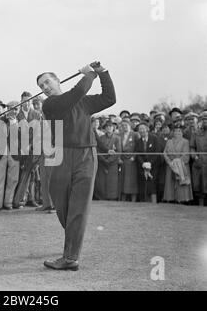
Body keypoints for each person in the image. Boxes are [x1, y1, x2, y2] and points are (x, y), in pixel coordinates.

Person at [39, 61, 116, 270]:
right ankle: (72, 241)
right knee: (61, 204)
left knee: (78, 207)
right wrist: (90, 74)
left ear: (57, 80)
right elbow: (78, 91)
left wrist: (104, 73)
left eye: (47, 82)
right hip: (62, 156)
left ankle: (70, 257)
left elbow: (110, 98)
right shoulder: (50, 104)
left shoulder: (83, 101)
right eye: (41, 86)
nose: (45, 87)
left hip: (86, 155)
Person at [0, 101, 21, 211]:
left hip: (15, 154)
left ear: (18, 110)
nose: (13, 111)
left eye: (16, 109)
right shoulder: (0, 120)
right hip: (1, 153)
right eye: (11, 108)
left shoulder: (22, 121)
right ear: (7, 109)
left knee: (13, 179)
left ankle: (8, 202)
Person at [13, 91, 41, 208]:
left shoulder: (36, 114)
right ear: (21, 102)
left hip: (33, 149)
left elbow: (38, 132)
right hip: (20, 150)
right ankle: (20, 199)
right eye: (24, 101)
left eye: (29, 101)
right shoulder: (16, 114)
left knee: (33, 175)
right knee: (21, 175)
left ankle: (31, 199)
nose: (27, 103)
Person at [163, 124, 193, 204]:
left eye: (179, 131)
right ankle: (170, 198)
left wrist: (177, 162)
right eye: (175, 131)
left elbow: (186, 154)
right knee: (170, 182)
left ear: (182, 132)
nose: (177, 132)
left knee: (181, 183)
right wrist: (170, 162)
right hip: (171, 165)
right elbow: (165, 153)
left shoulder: (185, 141)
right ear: (173, 132)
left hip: (181, 166)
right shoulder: (169, 141)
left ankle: (182, 200)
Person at [94, 120, 122, 200]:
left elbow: (119, 151)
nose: (109, 128)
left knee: (112, 181)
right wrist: (103, 160)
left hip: (113, 163)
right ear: (105, 128)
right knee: (102, 182)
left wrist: (109, 160)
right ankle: (102, 197)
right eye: (107, 127)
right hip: (102, 163)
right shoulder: (101, 138)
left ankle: (112, 197)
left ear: (113, 128)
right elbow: (98, 150)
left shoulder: (117, 138)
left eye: (110, 126)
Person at [134, 122, 161, 203]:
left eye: (143, 129)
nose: (141, 131)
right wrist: (143, 163)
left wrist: (150, 163)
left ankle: (154, 203)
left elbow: (157, 152)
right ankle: (144, 202)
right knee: (143, 185)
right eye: (139, 129)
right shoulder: (138, 141)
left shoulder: (154, 138)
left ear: (147, 129)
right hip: (142, 166)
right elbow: (137, 154)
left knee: (152, 185)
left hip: (154, 166)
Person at [118, 118, 139, 202]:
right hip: (123, 160)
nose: (124, 127)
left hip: (132, 160)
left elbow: (138, 147)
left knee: (132, 180)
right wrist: (119, 158)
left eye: (126, 125)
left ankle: (133, 200)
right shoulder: (120, 135)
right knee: (123, 180)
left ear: (130, 126)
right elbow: (118, 148)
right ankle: (123, 199)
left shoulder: (135, 134)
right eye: (122, 126)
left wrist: (134, 156)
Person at [190, 111, 207, 206]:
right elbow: (192, 147)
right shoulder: (196, 133)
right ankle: (200, 206)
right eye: (203, 119)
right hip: (199, 161)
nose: (205, 121)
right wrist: (195, 156)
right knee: (200, 185)